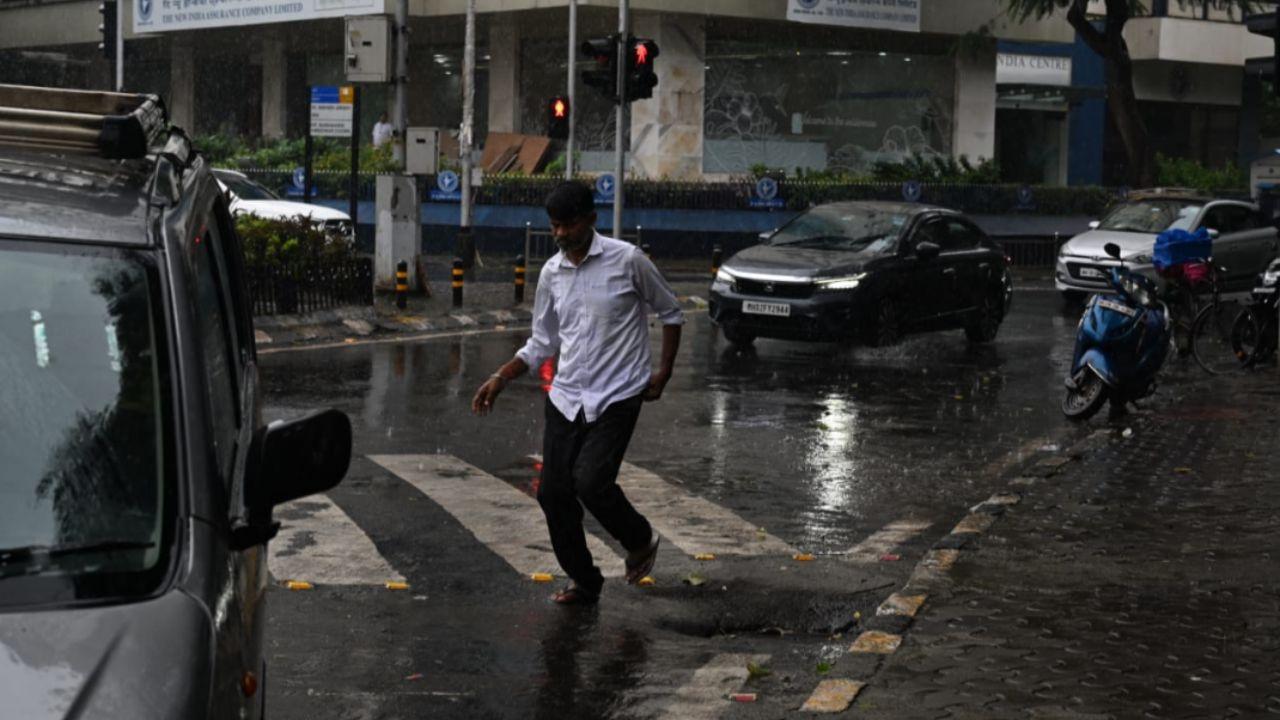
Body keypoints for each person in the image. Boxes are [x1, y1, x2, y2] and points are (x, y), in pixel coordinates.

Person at [472, 181, 684, 606]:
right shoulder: (552, 273)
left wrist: (663, 372)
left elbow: (671, 311)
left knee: (590, 481)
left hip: (619, 395)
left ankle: (639, 538)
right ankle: (585, 580)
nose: (561, 234)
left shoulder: (628, 261)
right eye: (554, 227)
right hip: (567, 396)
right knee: (552, 493)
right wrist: (502, 376)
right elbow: (542, 342)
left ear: (590, 219)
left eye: (568, 224)